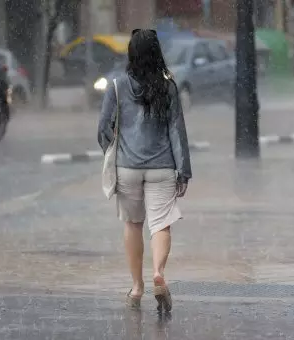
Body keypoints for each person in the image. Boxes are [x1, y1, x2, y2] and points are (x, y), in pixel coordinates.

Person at [97, 29, 191, 311]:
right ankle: (158, 274)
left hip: (128, 167)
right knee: (161, 224)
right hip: (163, 166)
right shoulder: (168, 86)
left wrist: (114, 150)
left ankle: (137, 288)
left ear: (131, 54)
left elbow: (103, 128)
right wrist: (183, 169)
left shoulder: (116, 86)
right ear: (157, 52)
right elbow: (177, 131)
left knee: (132, 224)